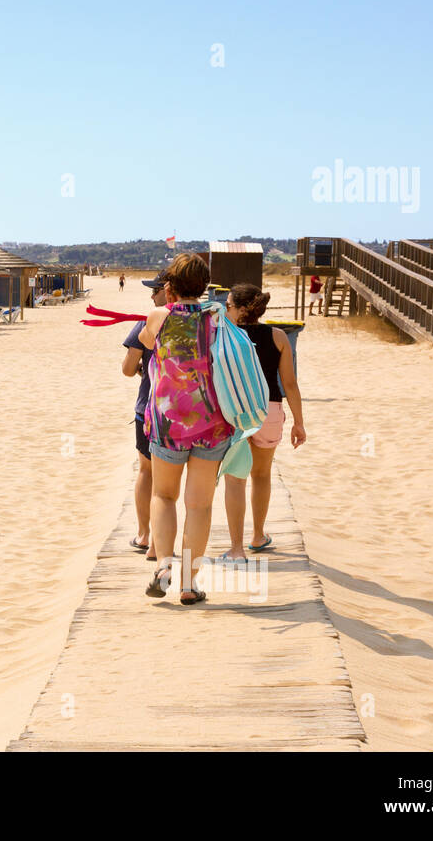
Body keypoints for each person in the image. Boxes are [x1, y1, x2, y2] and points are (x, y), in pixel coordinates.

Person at [137, 253, 232, 605]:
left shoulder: (159, 317)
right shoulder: (218, 319)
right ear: (204, 286)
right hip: (211, 420)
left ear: (171, 285)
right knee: (200, 505)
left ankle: (164, 565)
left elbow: (146, 343)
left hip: (168, 420)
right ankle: (190, 584)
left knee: (164, 496)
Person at [220, 284, 307, 561]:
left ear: (242, 308)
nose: (226, 308)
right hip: (269, 410)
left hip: (235, 411)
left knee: (236, 479)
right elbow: (290, 384)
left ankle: (236, 548)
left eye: (230, 304)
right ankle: (258, 535)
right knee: (261, 475)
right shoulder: (279, 336)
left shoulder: (225, 336)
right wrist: (298, 423)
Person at [121, 271, 170, 561]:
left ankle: (145, 535)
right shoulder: (203, 321)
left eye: (155, 290)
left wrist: (142, 369)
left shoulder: (146, 323)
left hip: (150, 408)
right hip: (190, 412)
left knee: (147, 472)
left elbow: (127, 369)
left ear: (168, 289)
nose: (151, 296)